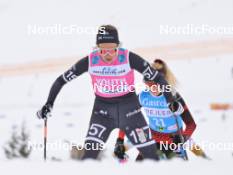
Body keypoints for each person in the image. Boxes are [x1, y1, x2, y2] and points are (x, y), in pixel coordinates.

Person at [36, 25, 184, 160]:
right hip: (102, 112)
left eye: (112, 49)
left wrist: (170, 100)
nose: (108, 55)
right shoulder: (90, 61)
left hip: (130, 110)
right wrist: (49, 103)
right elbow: (61, 80)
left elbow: (157, 77)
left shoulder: (128, 57)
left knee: (152, 158)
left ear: (118, 46)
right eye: (103, 50)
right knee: (89, 157)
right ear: (97, 47)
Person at [114, 58, 197, 160]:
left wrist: (183, 137)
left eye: (154, 84)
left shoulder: (173, 97)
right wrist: (120, 140)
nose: (151, 88)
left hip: (173, 143)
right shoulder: (143, 96)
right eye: (148, 84)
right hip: (153, 140)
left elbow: (191, 124)